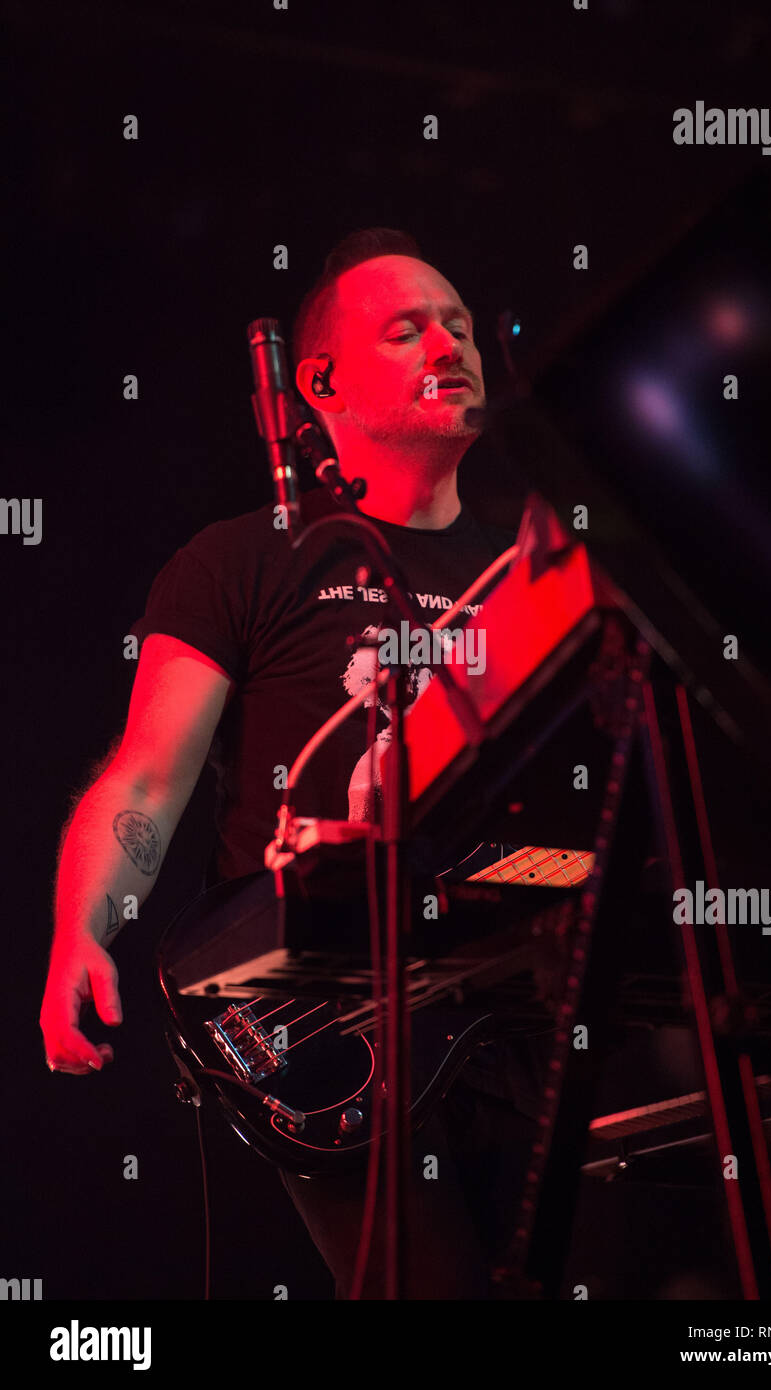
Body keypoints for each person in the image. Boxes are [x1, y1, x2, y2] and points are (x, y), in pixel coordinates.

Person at [39, 228, 562, 1299]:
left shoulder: (532, 562)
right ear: (315, 381)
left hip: (534, 1006)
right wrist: (81, 929)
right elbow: (145, 778)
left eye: (459, 324)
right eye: (407, 327)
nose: (447, 343)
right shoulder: (245, 558)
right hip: (334, 1022)